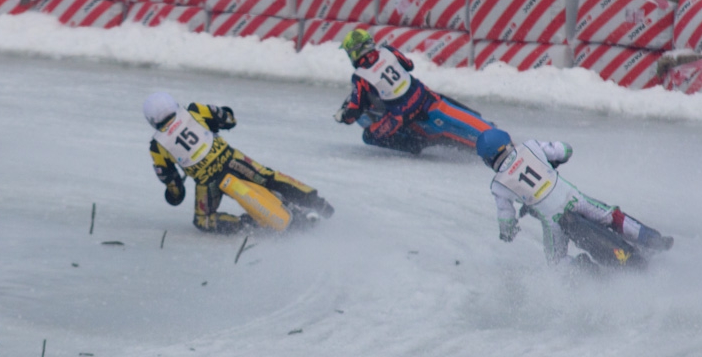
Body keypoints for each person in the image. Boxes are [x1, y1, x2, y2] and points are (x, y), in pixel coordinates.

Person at [475, 128, 673, 268]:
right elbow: (565, 150)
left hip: (552, 220)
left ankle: (587, 273)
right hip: (574, 199)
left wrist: (507, 233)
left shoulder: (498, 185)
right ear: (507, 142)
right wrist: (555, 161)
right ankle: (653, 240)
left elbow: (506, 217)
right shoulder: (531, 146)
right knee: (611, 215)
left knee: (556, 262)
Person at [144, 92, 333, 234]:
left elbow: (172, 185)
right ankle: (317, 202)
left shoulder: (157, 145)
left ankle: (250, 225)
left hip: (208, 182)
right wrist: (221, 121)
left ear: (152, 120)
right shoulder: (193, 110)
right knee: (269, 177)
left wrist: (174, 194)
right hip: (233, 159)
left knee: (203, 220)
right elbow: (228, 119)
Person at [333, 28, 493, 154]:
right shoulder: (388, 50)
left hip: (402, 114)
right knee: (438, 97)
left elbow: (355, 108)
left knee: (368, 137)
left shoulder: (360, 77)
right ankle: (478, 118)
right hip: (422, 95)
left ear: (354, 52)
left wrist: (343, 117)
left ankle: (416, 144)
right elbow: (409, 65)